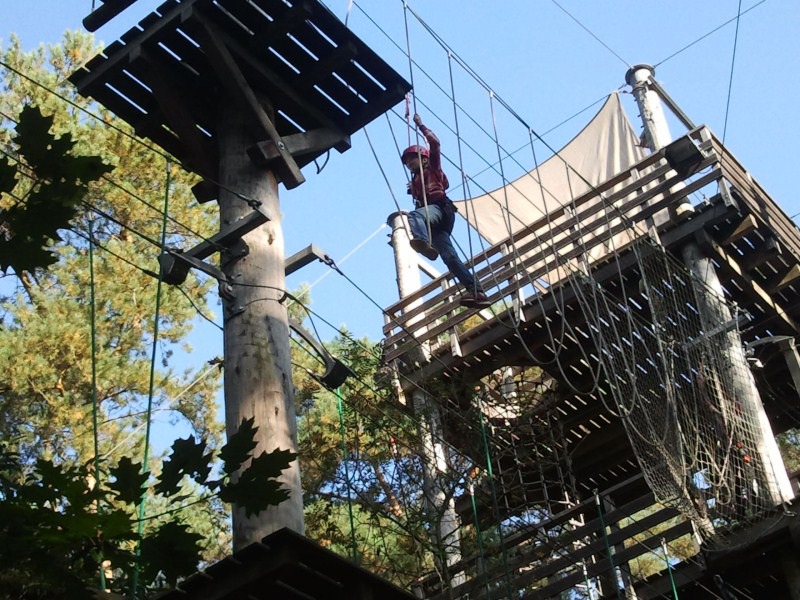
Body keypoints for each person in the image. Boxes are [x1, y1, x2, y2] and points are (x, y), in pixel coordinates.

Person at [402, 113, 490, 307]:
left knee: (414, 216)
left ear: (424, 159)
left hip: (440, 210)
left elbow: (435, 144)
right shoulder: (416, 181)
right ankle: (476, 291)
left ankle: (423, 241)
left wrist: (421, 125)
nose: (409, 163)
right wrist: (413, 189)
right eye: (407, 162)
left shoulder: (432, 168)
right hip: (435, 222)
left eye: (412, 159)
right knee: (450, 258)